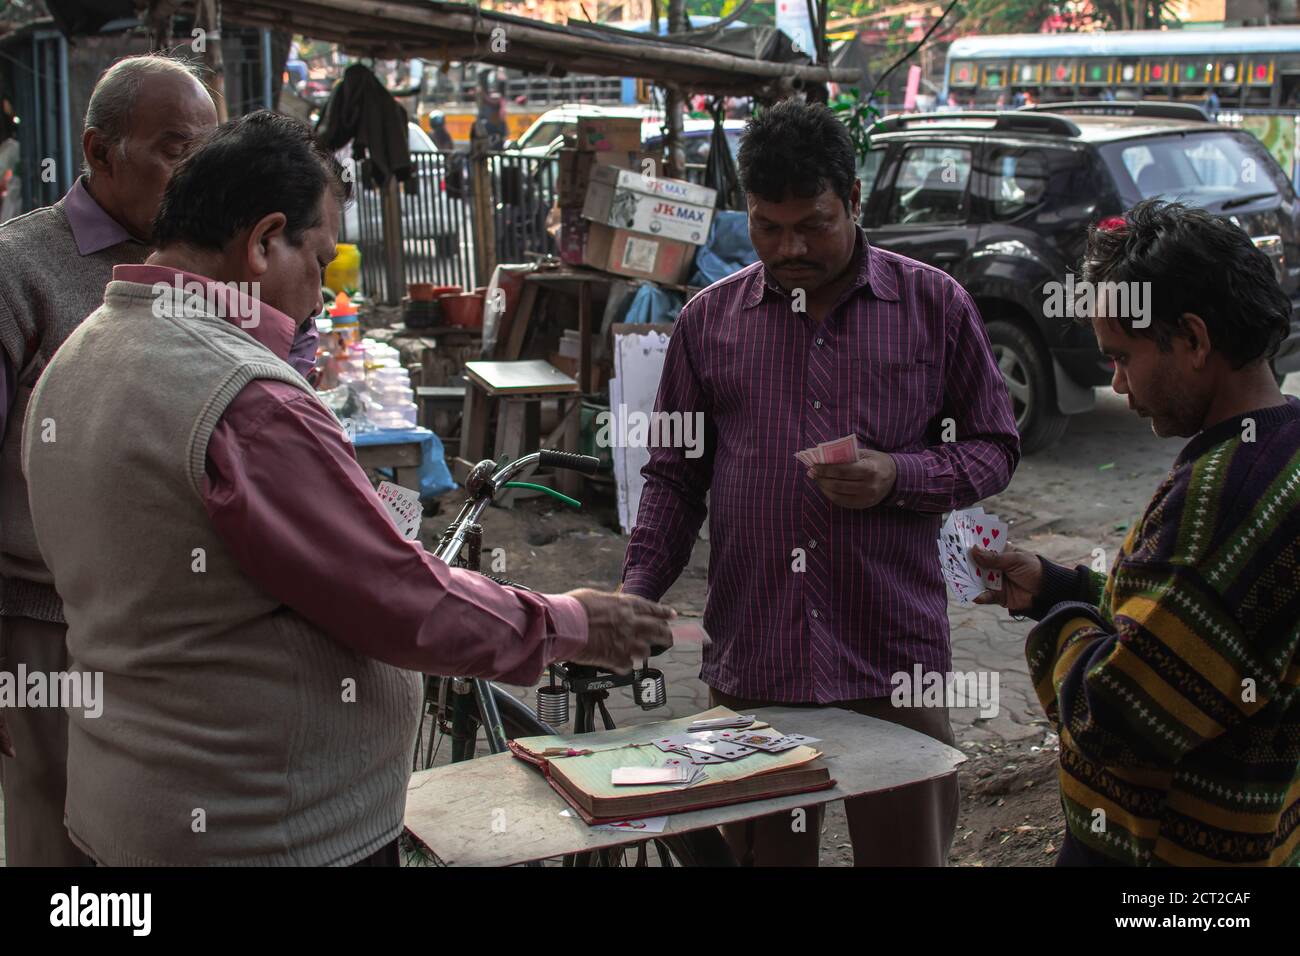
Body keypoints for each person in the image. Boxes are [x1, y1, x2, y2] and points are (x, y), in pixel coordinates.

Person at [21, 110, 674, 866]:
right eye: (321, 260)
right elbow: (399, 598)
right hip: (262, 832)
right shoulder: (243, 399)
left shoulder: (80, 357)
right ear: (265, 242)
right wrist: (569, 622)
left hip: (132, 809)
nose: (323, 296)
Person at [620, 100, 1020, 866]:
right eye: (768, 227)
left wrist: (899, 475)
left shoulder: (935, 305)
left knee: (905, 856)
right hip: (758, 654)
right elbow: (673, 477)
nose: (790, 246)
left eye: (813, 224)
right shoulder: (709, 322)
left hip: (890, 652)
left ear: (855, 201)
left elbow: (995, 448)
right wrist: (636, 591)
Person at [973, 200, 1300, 866]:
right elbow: (1188, 631)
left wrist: (1061, 622)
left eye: (1122, 357)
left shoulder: (1224, 500)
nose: (1118, 386)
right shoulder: (1282, 444)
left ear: (1194, 340)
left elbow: (1113, 718)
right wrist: (1059, 584)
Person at [0, 54, 219, 866]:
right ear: (98, 152)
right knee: (58, 843)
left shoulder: (205, 267)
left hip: (171, 624)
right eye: (173, 150)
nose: (194, 176)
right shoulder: (19, 268)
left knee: (155, 840)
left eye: (207, 153)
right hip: (44, 627)